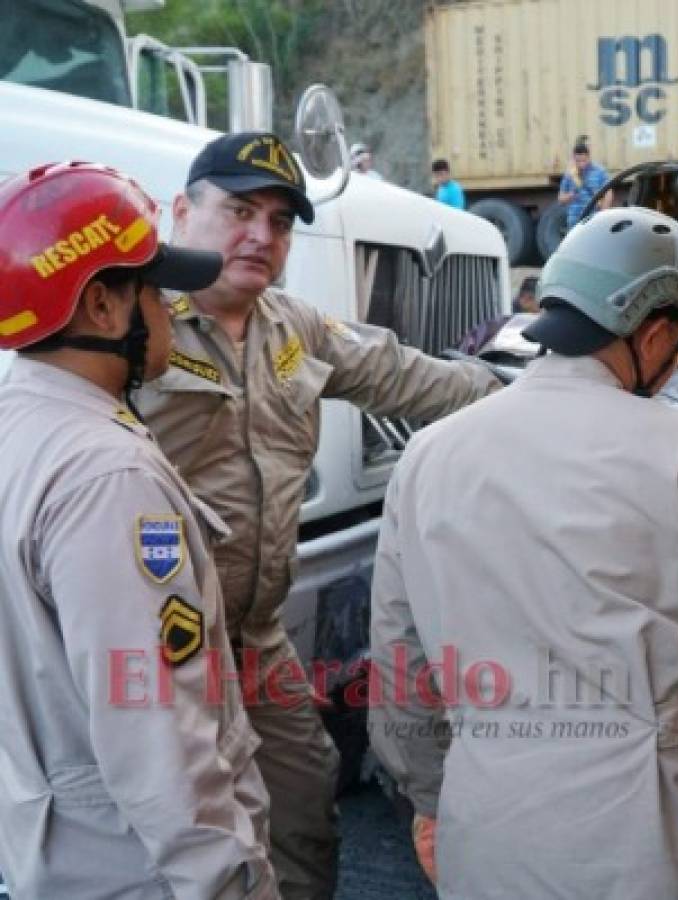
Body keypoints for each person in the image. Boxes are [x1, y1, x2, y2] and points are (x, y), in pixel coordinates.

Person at [370, 207, 678, 898]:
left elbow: (400, 674)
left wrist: (434, 801)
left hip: (486, 832)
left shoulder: (427, 454)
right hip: (645, 840)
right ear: (653, 333)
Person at [133, 131, 501, 899]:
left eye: (279, 221)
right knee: (174, 846)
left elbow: (402, 375)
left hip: (259, 643)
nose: (260, 236)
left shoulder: (292, 329)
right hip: (152, 652)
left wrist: (535, 391)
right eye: (239, 210)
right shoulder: (131, 322)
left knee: (304, 811)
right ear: (180, 211)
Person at [0, 162, 278, 898]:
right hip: (138, 871)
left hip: (48, 851)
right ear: (100, 305)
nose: (165, 308)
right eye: (151, 290)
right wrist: (230, 883)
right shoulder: (108, 476)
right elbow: (155, 735)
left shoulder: (19, 424)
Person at [558, 139, 611, 229]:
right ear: (574, 158)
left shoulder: (599, 171)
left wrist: (604, 211)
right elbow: (560, 199)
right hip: (575, 219)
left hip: (594, 218)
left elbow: (609, 192)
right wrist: (570, 195)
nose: (581, 164)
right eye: (578, 161)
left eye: (584, 160)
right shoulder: (569, 174)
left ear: (588, 157)